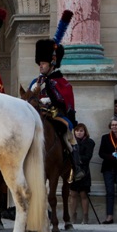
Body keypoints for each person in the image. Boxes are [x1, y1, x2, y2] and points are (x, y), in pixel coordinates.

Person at [28, 10, 84, 180]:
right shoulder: (36, 81)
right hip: (37, 115)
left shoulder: (61, 82)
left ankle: (76, 164)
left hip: (56, 115)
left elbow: (62, 101)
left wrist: (49, 90)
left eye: (43, 63)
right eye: (40, 63)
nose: (41, 66)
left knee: (68, 130)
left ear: (52, 63)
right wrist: (35, 92)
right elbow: (29, 99)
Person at [69, 123, 95, 225]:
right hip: (73, 170)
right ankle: (73, 217)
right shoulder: (71, 142)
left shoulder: (89, 142)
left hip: (84, 171)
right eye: (77, 131)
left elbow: (87, 157)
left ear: (85, 132)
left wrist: (76, 159)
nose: (79, 133)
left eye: (81, 131)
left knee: (83, 194)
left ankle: (85, 217)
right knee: (73, 194)